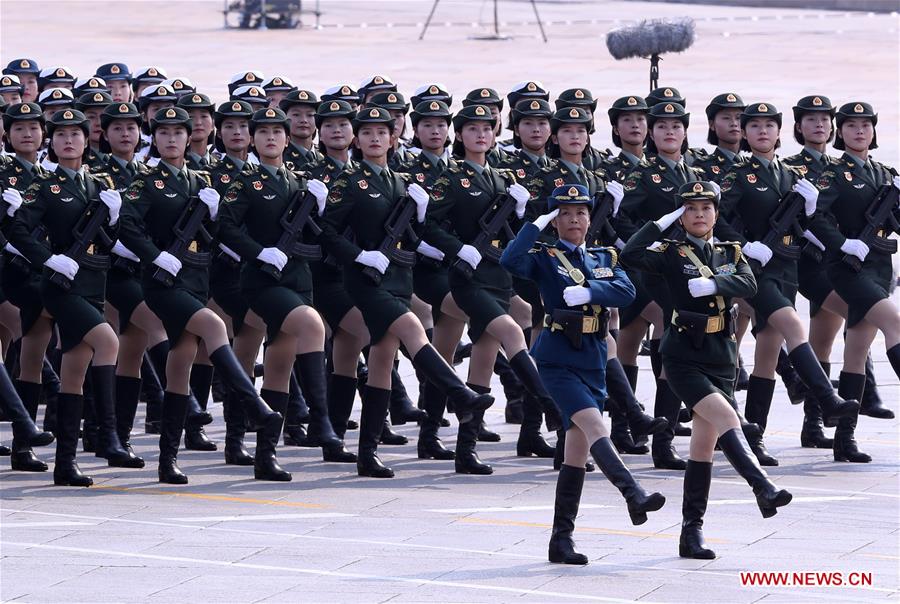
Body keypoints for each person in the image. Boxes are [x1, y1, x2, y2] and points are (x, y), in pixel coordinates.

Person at [622, 181, 793, 559]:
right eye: (690, 209)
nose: (699, 215)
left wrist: (714, 282)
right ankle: (761, 485)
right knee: (727, 417)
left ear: (716, 213)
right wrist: (657, 223)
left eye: (705, 208)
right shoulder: (668, 252)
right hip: (683, 352)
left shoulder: (730, 251)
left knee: (702, 447)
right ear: (681, 216)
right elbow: (631, 255)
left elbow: (749, 283)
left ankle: (690, 532)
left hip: (721, 354)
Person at [118, 107, 282, 484]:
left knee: (181, 361)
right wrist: (154, 254)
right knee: (212, 325)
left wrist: (213, 213)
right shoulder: (146, 181)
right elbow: (126, 224)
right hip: (161, 282)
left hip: (196, 277)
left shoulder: (201, 181)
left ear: (190, 137)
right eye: (163, 134)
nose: (172, 140)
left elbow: (220, 231)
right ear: (154, 139)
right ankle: (254, 405)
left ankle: (167, 460)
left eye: (179, 133)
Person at [501, 184, 664, 565]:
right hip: (558, 359)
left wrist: (591, 290)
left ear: (591, 219)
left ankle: (561, 540)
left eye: (581, 213)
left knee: (575, 454)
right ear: (555, 220)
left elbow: (625, 291)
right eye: (565, 213)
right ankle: (632, 492)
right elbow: (510, 261)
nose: (574, 219)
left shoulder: (603, 256)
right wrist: (533, 225)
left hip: (592, 358)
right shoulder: (544, 257)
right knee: (595, 428)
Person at [717, 102, 862, 465]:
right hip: (755, 271)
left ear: (780, 133)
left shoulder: (791, 176)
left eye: (769, 126)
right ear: (746, 134)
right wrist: (742, 244)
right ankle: (827, 399)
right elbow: (712, 217)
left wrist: (811, 210)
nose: (762, 132)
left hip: (787, 269)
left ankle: (756, 436)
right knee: (793, 325)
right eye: (754, 127)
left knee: (767, 353)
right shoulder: (737, 174)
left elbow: (810, 225)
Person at [219, 106, 353, 481]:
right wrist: (257, 251)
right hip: (262, 281)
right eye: (262, 133)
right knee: (313, 327)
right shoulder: (245, 181)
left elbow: (319, 235)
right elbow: (225, 227)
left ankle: (266, 454)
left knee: (278, 363)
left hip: (299, 279)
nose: (271, 138)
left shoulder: (300, 183)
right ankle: (321, 422)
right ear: (253, 140)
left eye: (277, 132)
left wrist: (323, 207)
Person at [7, 109, 140, 485]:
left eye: (76, 135)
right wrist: (49, 258)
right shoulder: (45, 186)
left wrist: (113, 221)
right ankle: (109, 435)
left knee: (73, 368)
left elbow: (112, 244)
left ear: (87, 140)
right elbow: (17, 229)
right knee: (106, 341)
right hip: (57, 286)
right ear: (53, 142)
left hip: (92, 284)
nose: (69, 141)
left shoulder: (99, 185)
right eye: (61, 135)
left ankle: (65, 462)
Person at [808, 101, 900, 461]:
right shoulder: (833, 173)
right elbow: (814, 217)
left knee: (857, 351)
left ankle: (844, 441)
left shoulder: (884, 173)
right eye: (851, 126)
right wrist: (841, 242)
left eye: (866, 126)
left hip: (879, 266)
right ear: (839, 132)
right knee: (894, 322)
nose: (859, 132)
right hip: (847, 269)